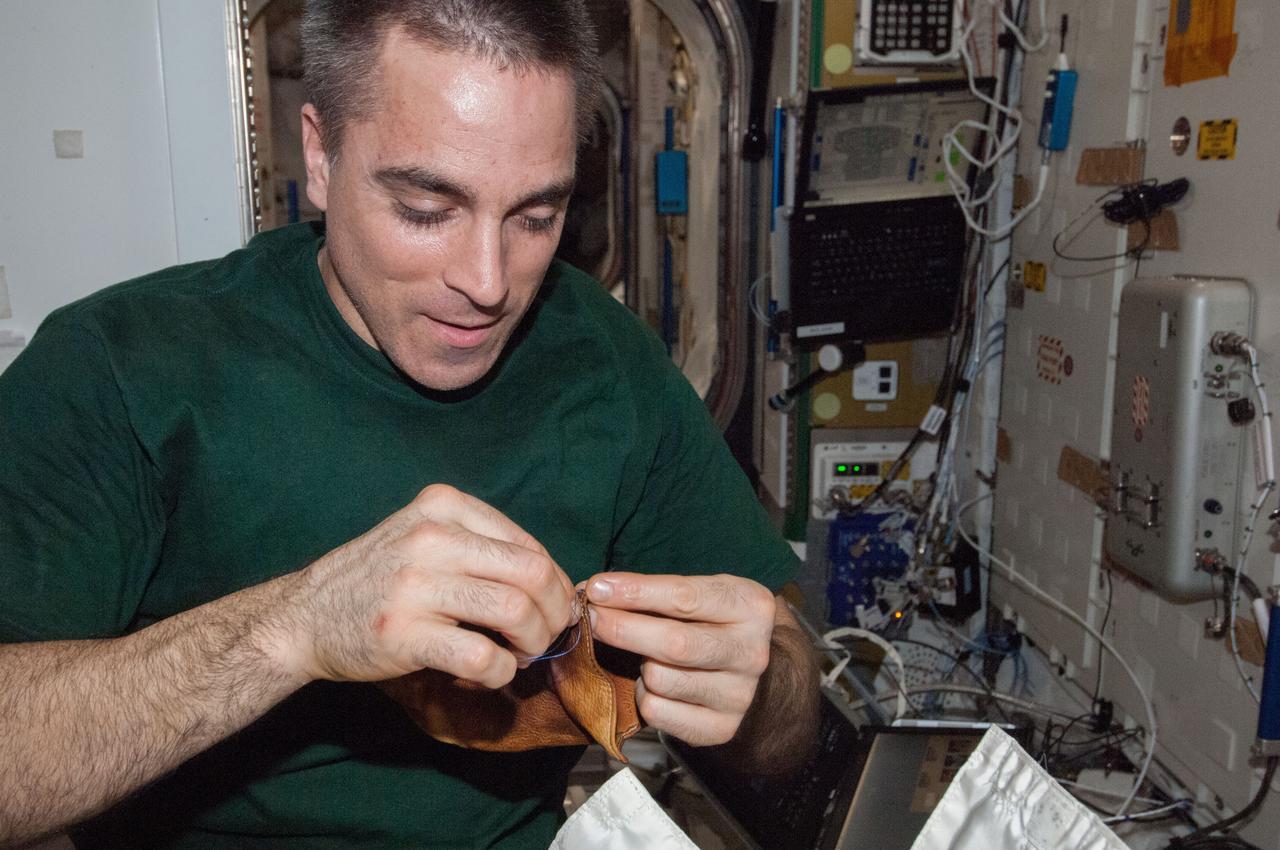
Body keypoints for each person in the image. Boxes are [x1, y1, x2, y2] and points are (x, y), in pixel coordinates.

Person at [0, 1, 818, 847]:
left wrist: (758, 688)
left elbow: (794, 716)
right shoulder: (121, 366)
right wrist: (295, 628)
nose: (490, 280)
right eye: (428, 209)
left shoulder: (608, 364)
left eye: (537, 216)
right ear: (321, 156)